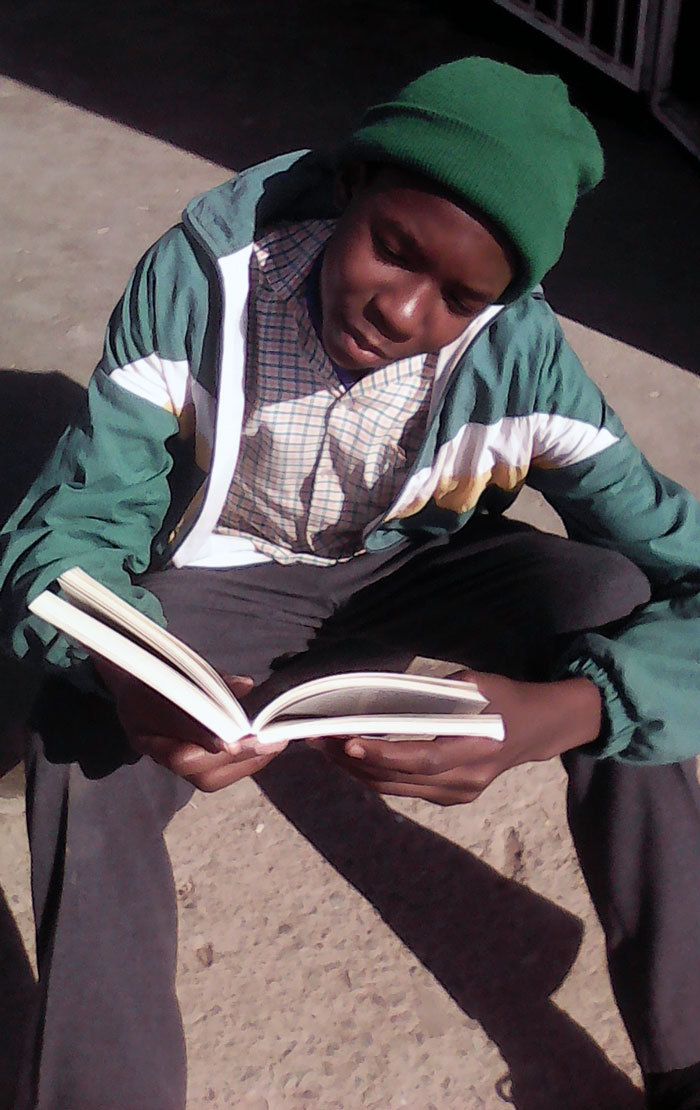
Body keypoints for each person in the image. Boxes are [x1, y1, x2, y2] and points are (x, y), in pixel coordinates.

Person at [1, 56, 700, 1109]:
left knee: (608, 600)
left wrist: (560, 714)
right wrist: (126, 665)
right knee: (78, 718)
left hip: (405, 577)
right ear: (349, 186)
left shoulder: (523, 366)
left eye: (459, 298)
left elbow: (682, 569)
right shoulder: (202, 282)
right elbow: (74, 527)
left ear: (502, 302)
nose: (403, 310)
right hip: (220, 580)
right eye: (392, 250)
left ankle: (690, 1053)